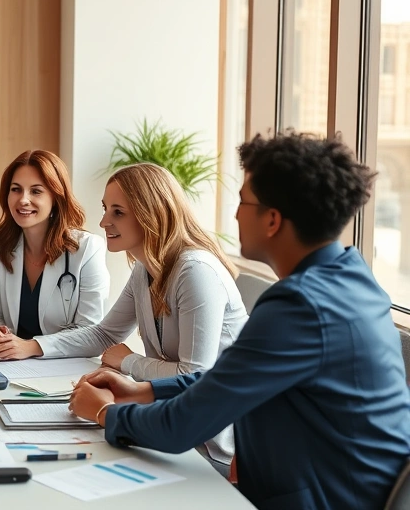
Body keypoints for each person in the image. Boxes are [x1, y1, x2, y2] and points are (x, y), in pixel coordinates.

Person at [70, 134, 410, 509]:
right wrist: (145, 391)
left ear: (272, 220)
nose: (234, 214)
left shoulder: (299, 307)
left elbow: (183, 427)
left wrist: (105, 413)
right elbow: (233, 375)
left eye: (243, 202)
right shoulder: (351, 280)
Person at [41, 163, 248, 471]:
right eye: (105, 209)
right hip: (171, 425)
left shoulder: (195, 272)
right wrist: (33, 346)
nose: (103, 221)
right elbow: (104, 335)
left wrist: (129, 362)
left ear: (151, 213)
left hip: (213, 449)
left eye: (118, 212)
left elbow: (193, 376)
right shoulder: (145, 269)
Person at [0, 150, 110, 359]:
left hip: (68, 371)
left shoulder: (87, 249)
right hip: (12, 367)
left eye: (36, 191)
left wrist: (32, 347)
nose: (23, 200)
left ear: (55, 197)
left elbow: (93, 334)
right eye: (16, 190)